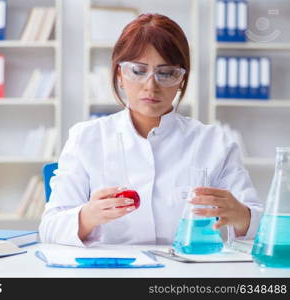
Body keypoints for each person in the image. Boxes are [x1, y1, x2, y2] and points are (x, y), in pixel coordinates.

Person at [39, 13, 262, 247]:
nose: (151, 85)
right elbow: (49, 228)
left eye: (166, 73)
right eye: (138, 70)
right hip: (108, 273)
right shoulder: (86, 138)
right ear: (119, 75)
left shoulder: (214, 142)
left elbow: (261, 229)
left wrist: (241, 215)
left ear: (181, 81)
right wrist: (87, 216)